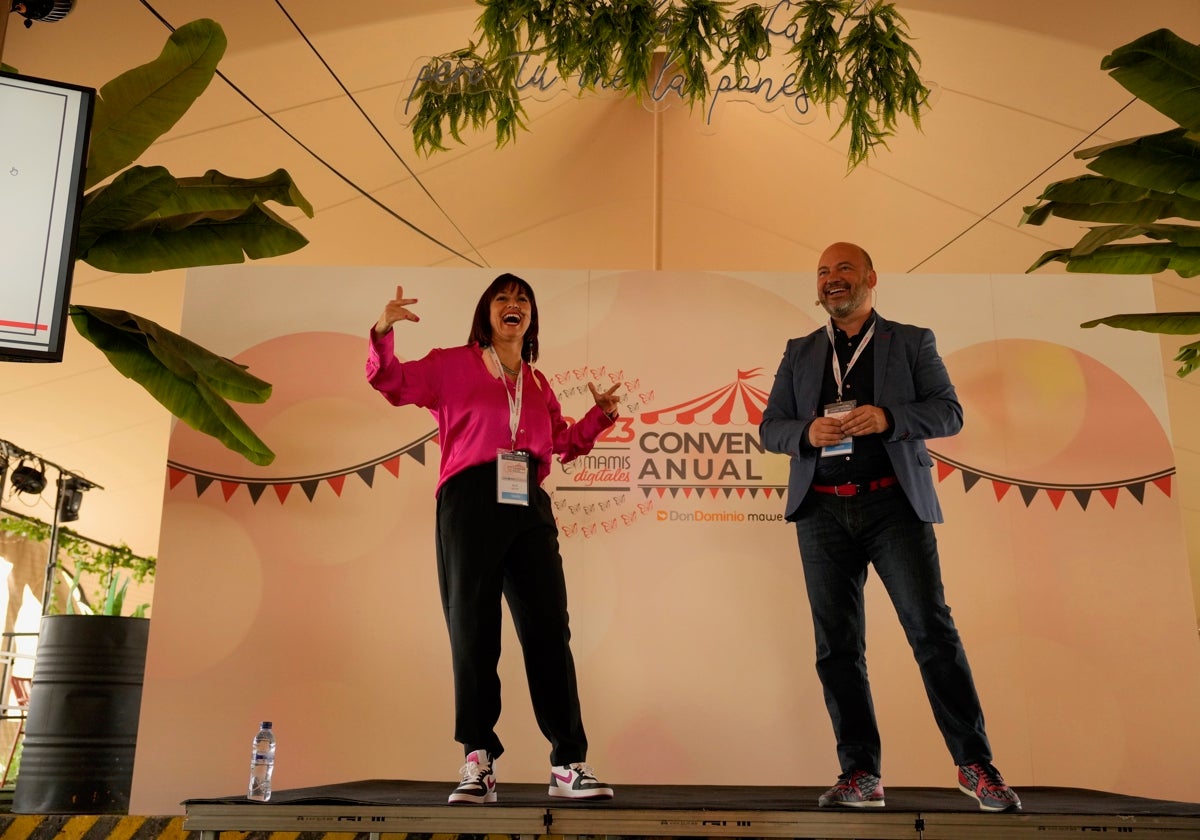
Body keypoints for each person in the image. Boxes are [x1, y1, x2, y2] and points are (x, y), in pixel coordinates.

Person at [759, 242, 1021, 813]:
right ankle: (860, 773)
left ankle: (976, 766)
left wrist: (890, 418)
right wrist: (806, 434)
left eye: (843, 269)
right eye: (824, 272)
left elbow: (948, 412)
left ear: (871, 277)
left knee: (931, 633)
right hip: (822, 511)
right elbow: (770, 428)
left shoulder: (911, 340)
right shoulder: (801, 351)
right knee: (837, 648)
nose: (832, 279)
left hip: (893, 507)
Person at [366, 273, 620, 805]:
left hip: (528, 497)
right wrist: (382, 332)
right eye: (503, 298)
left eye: (522, 299)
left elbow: (562, 442)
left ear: (530, 319)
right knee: (474, 629)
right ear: (487, 313)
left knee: (550, 629)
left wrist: (600, 417)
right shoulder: (450, 364)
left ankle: (568, 762)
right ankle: (478, 759)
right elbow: (391, 382)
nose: (513, 304)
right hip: (470, 498)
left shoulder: (538, 382)